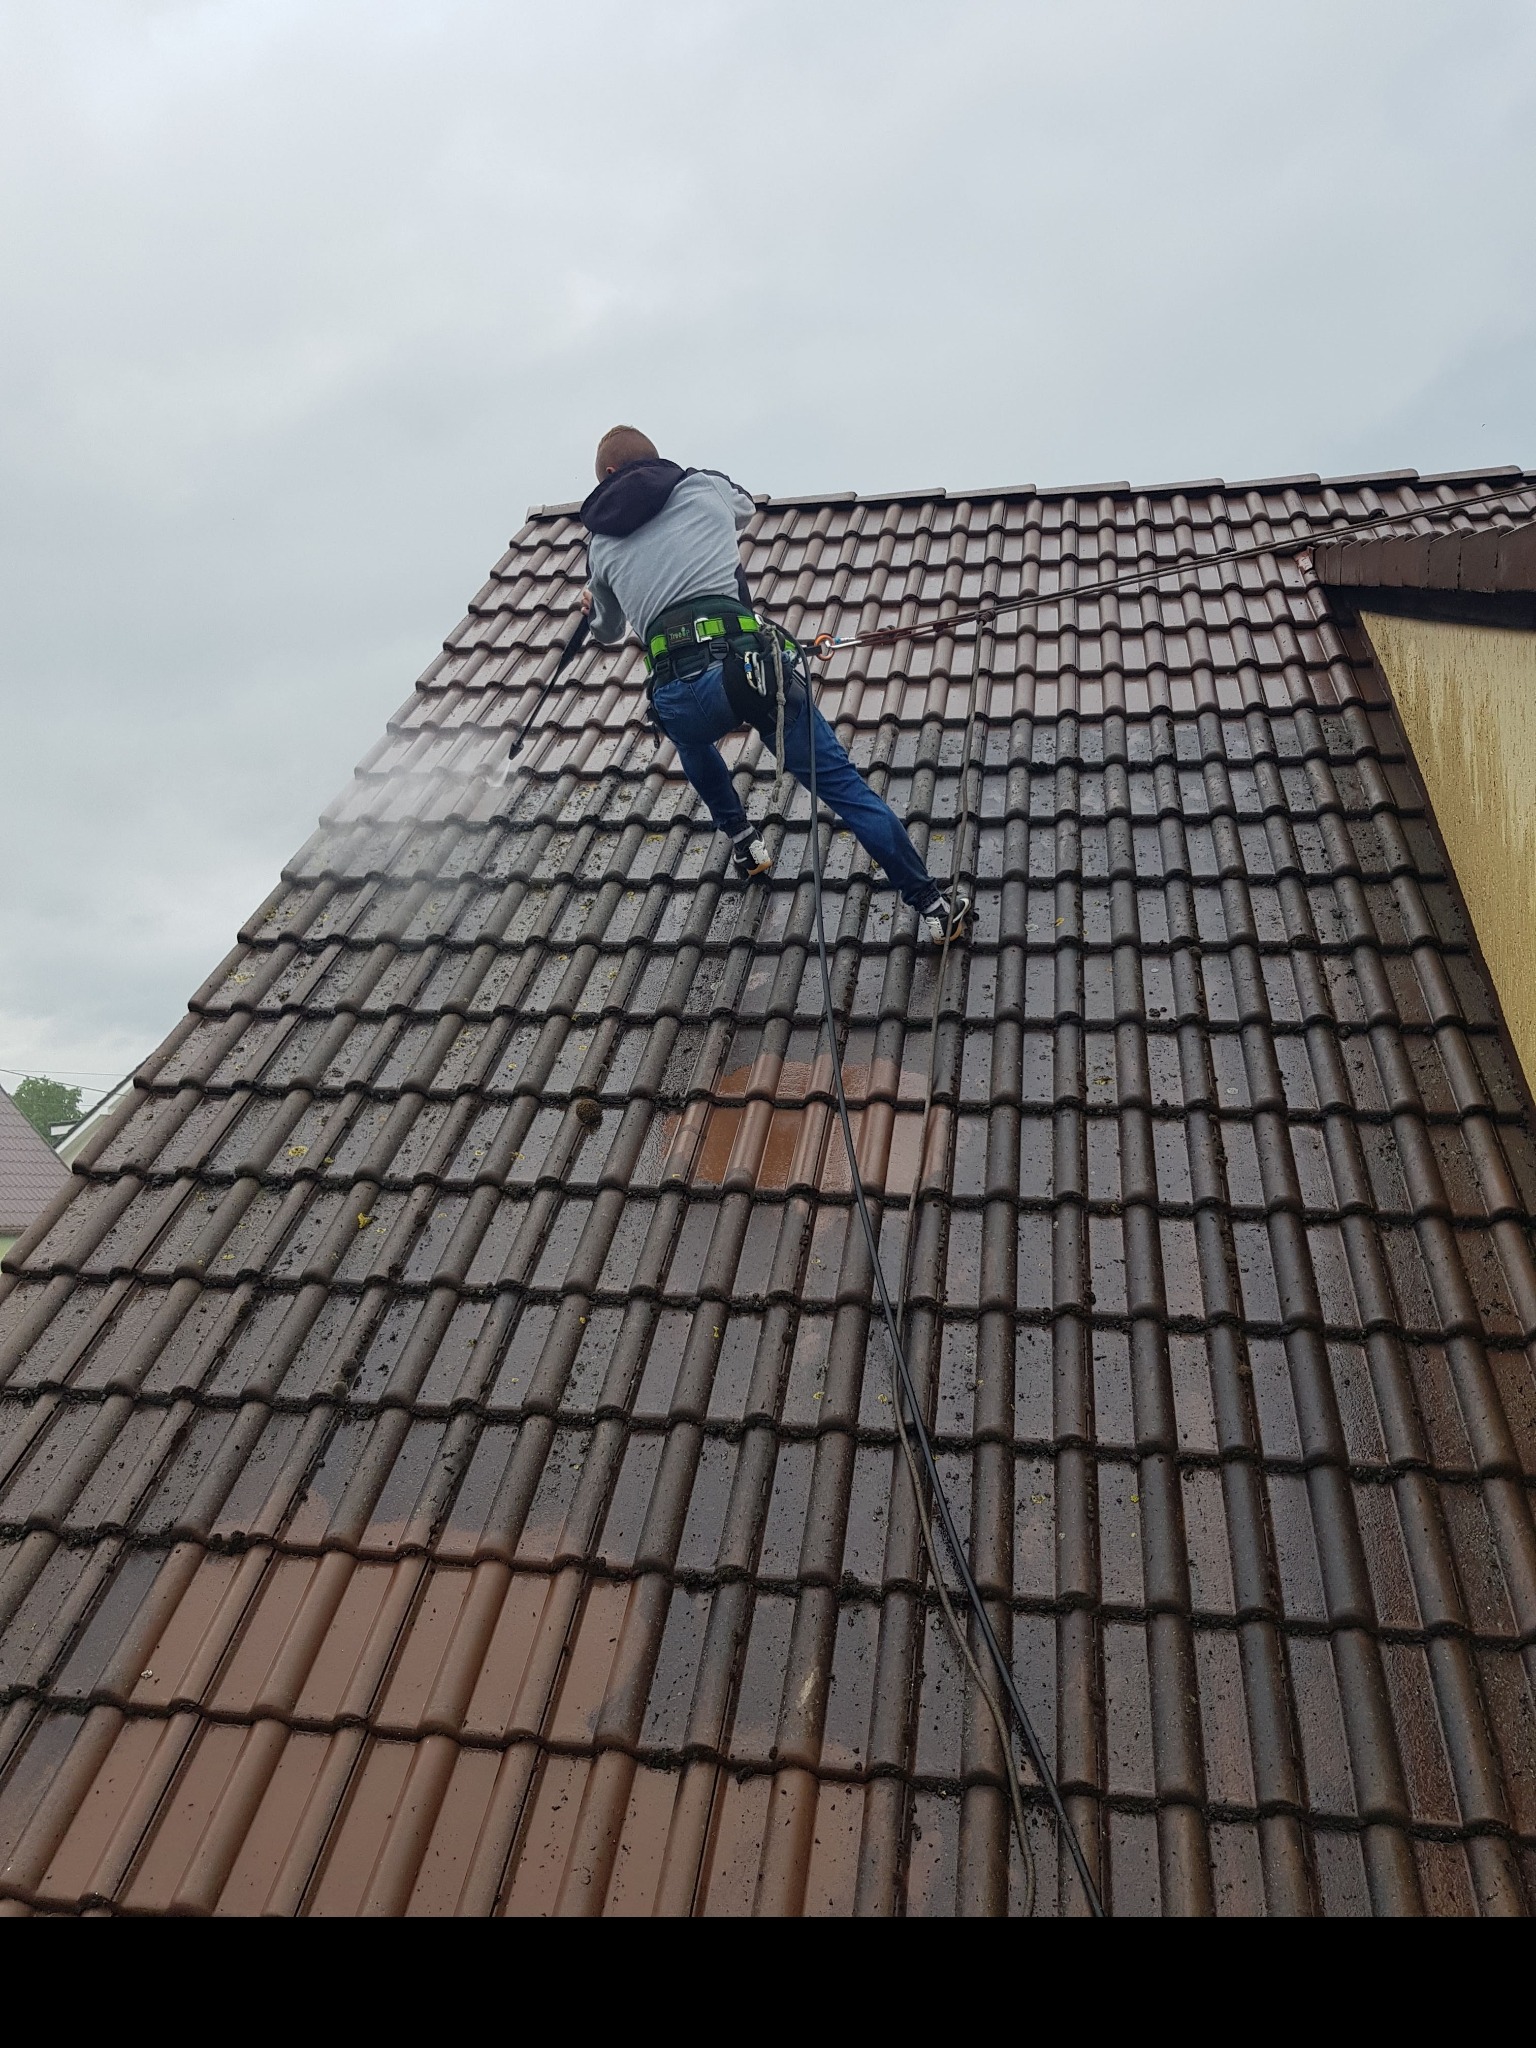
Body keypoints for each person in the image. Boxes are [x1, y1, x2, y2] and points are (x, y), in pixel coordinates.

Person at [579, 425, 971, 943]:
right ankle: (934, 907)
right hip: (745, 672)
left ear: (607, 476)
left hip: (678, 689)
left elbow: (607, 632)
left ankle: (742, 839)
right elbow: (745, 508)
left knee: (689, 737)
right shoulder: (699, 487)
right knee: (846, 790)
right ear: (655, 460)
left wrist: (590, 605)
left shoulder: (600, 543)